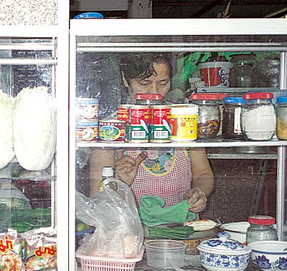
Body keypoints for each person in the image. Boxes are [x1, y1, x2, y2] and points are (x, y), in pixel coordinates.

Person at [89, 54, 214, 212]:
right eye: (144, 83)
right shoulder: (110, 129)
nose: (154, 92)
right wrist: (120, 183)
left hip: (182, 230)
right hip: (130, 232)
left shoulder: (183, 118)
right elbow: (97, 198)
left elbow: (203, 174)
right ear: (126, 79)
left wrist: (199, 192)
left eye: (163, 83)